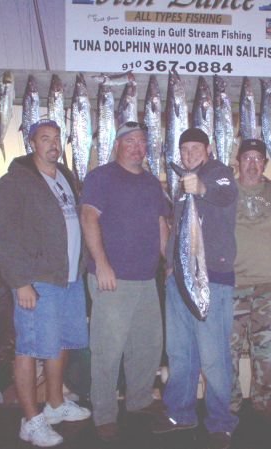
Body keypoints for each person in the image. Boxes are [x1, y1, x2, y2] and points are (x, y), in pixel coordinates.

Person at [0, 119, 91, 447]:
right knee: (30, 348)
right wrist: (20, 282)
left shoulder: (65, 177)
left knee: (60, 343)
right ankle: (31, 421)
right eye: (45, 138)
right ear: (32, 143)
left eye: (57, 138)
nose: (53, 144)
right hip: (37, 280)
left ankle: (55, 405)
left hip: (68, 278)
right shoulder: (14, 182)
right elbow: (1, 235)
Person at [80, 121, 169, 443]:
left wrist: (170, 264)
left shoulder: (151, 183)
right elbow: (88, 217)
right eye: (129, 141)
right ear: (117, 145)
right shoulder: (100, 177)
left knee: (147, 346)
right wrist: (102, 264)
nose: (136, 147)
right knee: (108, 350)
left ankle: (139, 400)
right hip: (112, 280)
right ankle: (104, 414)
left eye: (141, 141)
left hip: (147, 279)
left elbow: (161, 224)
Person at [152, 128, 238, 449]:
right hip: (179, 280)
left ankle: (221, 422)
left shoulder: (220, 173)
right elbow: (180, 228)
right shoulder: (181, 185)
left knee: (214, 356)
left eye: (195, 148)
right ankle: (180, 412)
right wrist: (170, 266)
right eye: (184, 149)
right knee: (180, 351)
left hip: (211, 280)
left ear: (209, 148)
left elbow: (223, 193)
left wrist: (199, 187)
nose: (188, 154)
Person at [230, 138, 271, 425]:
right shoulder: (226, 193)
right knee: (226, 354)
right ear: (238, 163)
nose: (252, 164)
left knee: (268, 354)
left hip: (269, 288)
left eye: (258, 159)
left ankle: (265, 405)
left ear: (265, 164)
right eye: (247, 158)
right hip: (231, 288)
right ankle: (229, 406)